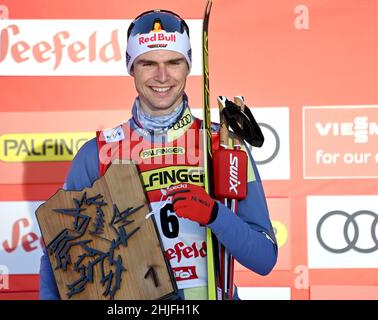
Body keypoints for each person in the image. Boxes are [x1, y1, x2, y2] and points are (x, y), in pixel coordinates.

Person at [39, 9, 277, 300]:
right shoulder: (98, 153)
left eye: (174, 62)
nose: (162, 76)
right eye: (148, 63)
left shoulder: (223, 144)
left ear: (188, 66)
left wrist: (216, 215)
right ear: (131, 67)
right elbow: (58, 257)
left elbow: (264, 258)